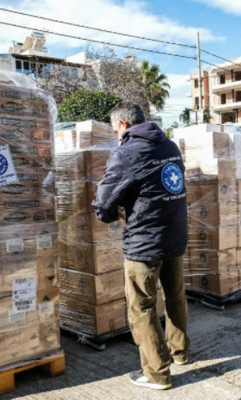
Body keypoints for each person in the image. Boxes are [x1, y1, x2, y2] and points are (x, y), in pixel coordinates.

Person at [92, 102, 189, 390]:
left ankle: (157, 373)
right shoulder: (169, 146)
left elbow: (104, 201)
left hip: (145, 241)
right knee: (175, 296)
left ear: (122, 125)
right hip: (174, 233)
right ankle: (180, 353)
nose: (115, 135)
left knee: (142, 306)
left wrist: (110, 214)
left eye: (114, 130)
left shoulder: (126, 153)